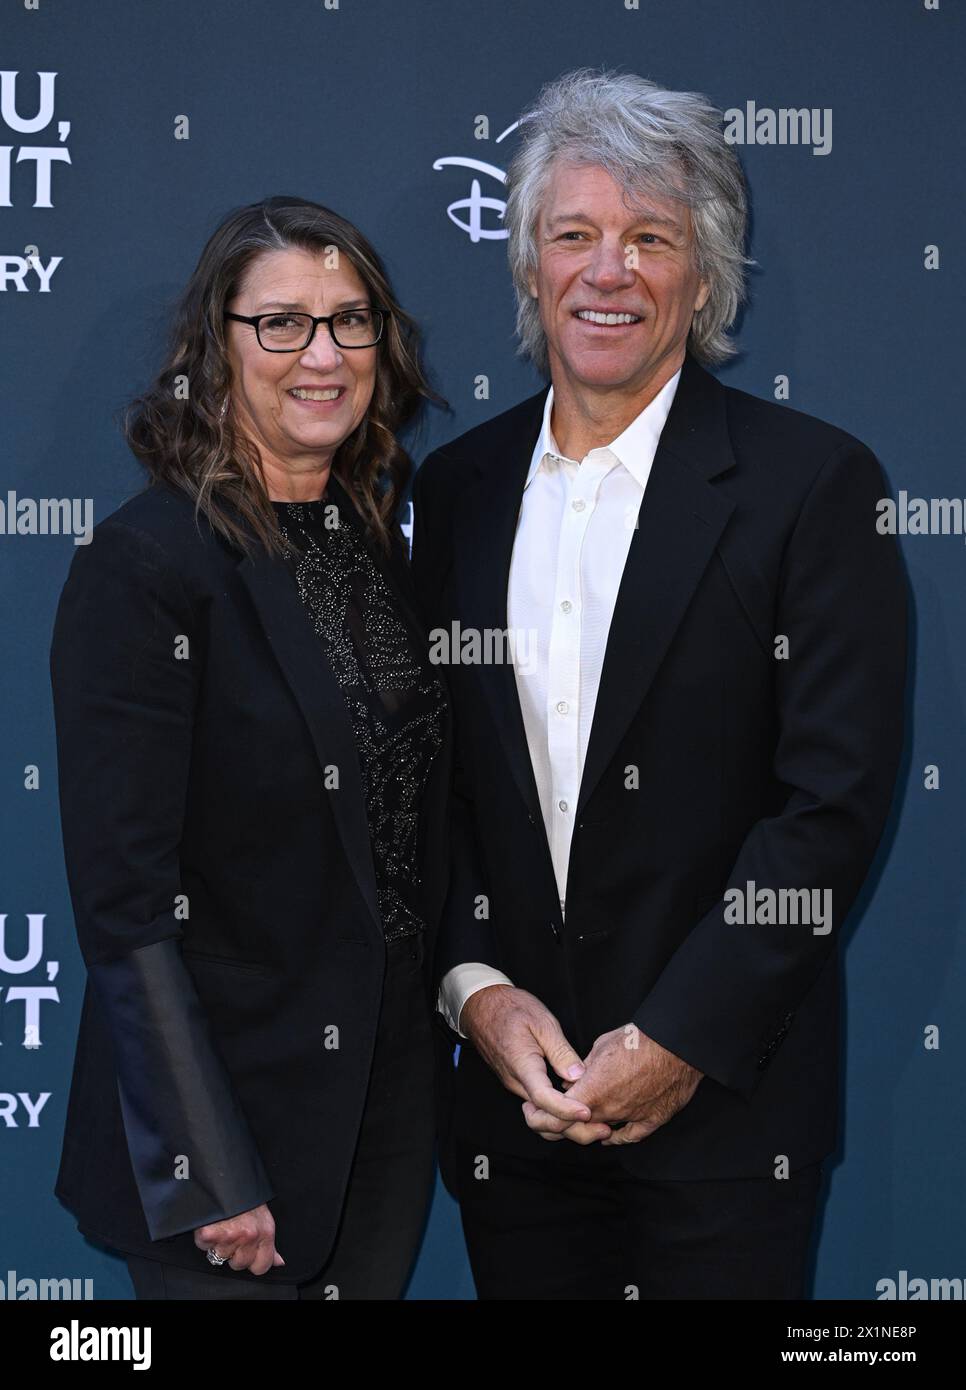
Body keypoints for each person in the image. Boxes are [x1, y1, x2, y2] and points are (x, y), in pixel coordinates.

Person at [411, 69, 908, 1300]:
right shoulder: (455, 494)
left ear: (705, 274)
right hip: (513, 1126)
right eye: (573, 234)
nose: (607, 271)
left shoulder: (812, 486)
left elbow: (829, 808)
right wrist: (476, 994)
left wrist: (677, 1036)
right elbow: (428, 786)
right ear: (528, 266)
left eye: (650, 239)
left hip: (730, 1123)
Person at [50, 195, 450, 1300]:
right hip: (231, 1149)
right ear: (216, 351)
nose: (322, 354)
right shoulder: (147, 567)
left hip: (378, 1122)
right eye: (280, 323)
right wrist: (204, 1168)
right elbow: (126, 907)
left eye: (348, 320)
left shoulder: (372, 547)